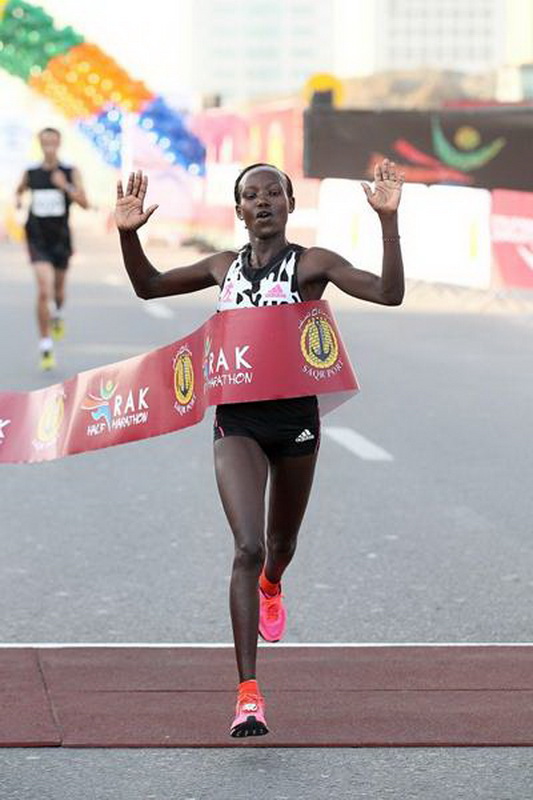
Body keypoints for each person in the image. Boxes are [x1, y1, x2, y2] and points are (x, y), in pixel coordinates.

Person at [115, 159, 404, 737]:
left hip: (296, 419)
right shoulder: (223, 267)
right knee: (245, 546)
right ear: (239, 209)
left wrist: (388, 223)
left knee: (280, 542)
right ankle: (248, 694)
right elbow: (149, 286)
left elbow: (389, 293)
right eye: (253, 194)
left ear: (291, 205)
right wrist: (128, 234)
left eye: (275, 192)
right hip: (238, 421)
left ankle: (274, 582)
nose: (265, 200)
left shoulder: (312, 264)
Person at [15, 127, 89, 371]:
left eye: (52, 143)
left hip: (60, 239)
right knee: (43, 290)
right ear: (40, 144)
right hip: (37, 238)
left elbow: (85, 204)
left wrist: (64, 186)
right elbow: (19, 190)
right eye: (44, 143)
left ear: (59, 144)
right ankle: (45, 346)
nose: (49, 147)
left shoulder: (69, 172)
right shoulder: (31, 172)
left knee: (58, 291)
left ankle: (57, 313)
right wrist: (17, 201)